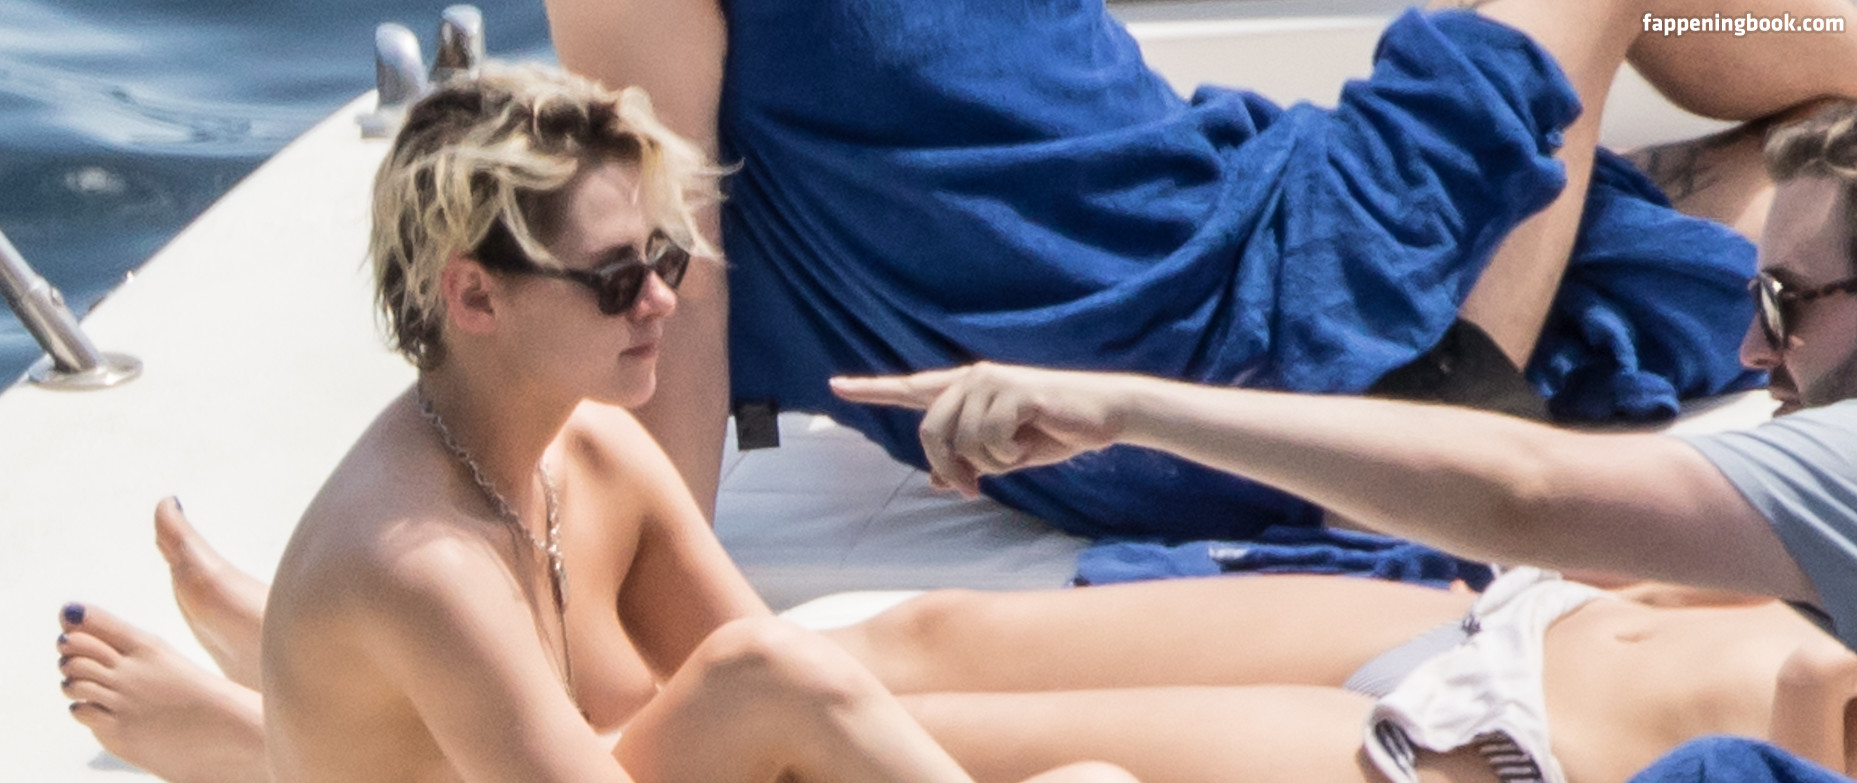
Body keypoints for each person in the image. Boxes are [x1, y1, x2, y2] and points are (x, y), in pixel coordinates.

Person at [145, 64, 1461, 783]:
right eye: (613, 278)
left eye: (666, 255)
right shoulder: (414, 560)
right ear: (472, 294)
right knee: (759, 684)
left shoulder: (590, 456)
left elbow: (831, 741)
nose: (661, 299)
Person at [831, 101, 1857, 783]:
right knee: (925, 637)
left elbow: (1530, 495)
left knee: (911, 762)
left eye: (1785, 303)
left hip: (1490, 776)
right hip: (1513, 623)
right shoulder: (1808, 470)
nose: (1751, 348)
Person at [545, 0, 1857, 539]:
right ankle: (1447, 403)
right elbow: (680, 264)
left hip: (1199, 308)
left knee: (1746, 171)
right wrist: (643, 587)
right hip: (1237, 340)